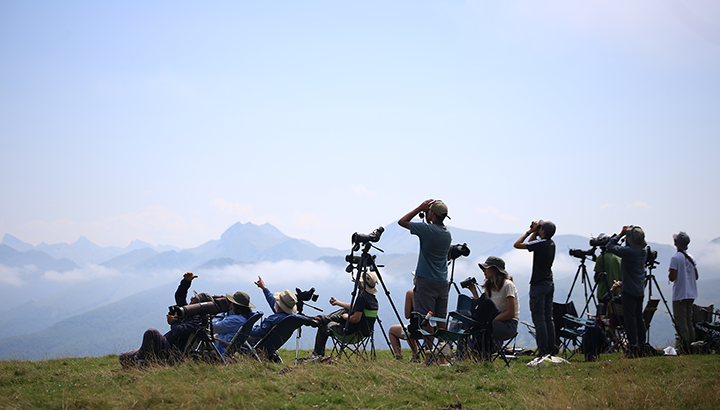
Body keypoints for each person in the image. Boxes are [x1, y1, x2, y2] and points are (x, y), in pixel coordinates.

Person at [119, 271, 211, 368]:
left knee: (151, 332)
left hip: (172, 351)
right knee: (123, 357)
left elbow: (179, 332)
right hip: (168, 345)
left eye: (195, 299)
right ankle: (138, 359)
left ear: (199, 305)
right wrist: (186, 282)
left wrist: (173, 322)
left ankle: (140, 362)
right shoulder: (189, 313)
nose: (192, 298)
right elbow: (179, 297)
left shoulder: (196, 320)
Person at [398, 199, 452, 337]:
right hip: (442, 280)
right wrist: (429, 217)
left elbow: (402, 222)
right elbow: (434, 229)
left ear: (432, 213)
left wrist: (419, 208)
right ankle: (441, 354)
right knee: (440, 318)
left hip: (426, 281)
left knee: (426, 318)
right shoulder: (447, 233)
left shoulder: (427, 230)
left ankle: (429, 356)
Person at [309, 270, 380, 359]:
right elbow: (355, 307)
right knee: (345, 309)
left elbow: (355, 319)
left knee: (324, 326)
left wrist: (347, 317)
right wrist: (337, 302)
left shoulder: (362, 298)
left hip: (350, 333)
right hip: (363, 333)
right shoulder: (372, 299)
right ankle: (321, 318)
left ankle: (317, 354)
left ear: (361, 284)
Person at [514, 220, 557, 356]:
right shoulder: (550, 244)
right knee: (548, 318)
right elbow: (533, 243)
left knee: (539, 319)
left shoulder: (541, 244)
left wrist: (529, 231)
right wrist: (536, 232)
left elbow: (517, 245)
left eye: (541, 228)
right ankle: (551, 349)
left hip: (538, 285)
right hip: (549, 283)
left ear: (543, 231)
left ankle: (543, 350)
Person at [605, 225, 648, 356]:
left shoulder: (630, 252)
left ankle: (632, 347)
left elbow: (609, 247)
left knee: (630, 320)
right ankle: (641, 345)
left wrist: (620, 234)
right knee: (639, 319)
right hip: (639, 289)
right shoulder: (643, 252)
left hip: (629, 290)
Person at [468, 256, 519, 342]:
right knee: (468, 322)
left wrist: (490, 320)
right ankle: (464, 353)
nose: (484, 270)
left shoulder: (508, 285)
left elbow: (511, 314)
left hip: (508, 324)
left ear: (495, 270)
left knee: (483, 327)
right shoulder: (489, 287)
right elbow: (485, 308)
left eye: (487, 268)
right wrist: (475, 293)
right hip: (493, 323)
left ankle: (480, 352)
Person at [668, 231, 699, 353]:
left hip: (680, 294)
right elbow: (696, 276)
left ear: (676, 244)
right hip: (691, 293)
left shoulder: (675, 258)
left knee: (680, 321)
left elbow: (672, 277)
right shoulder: (691, 257)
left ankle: (685, 346)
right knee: (688, 320)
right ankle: (692, 344)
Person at [249, 276, 298, 341]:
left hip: (258, 341)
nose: (275, 301)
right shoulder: (287, 318)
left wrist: (244, 326)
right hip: (273, 343)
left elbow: (258, 333)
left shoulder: (272, 319)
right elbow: (272, 301)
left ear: (279, 305)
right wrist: (263, 287)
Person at [212, 290, 256, 356]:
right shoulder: (242, 317)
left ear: (234, 305)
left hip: (220, 348)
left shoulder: (235, 320)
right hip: (225, 343)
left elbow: (213, 327)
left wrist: (221, 312)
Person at [388, 275, 421, 361]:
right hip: (430, 329)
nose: (413, 278)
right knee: (407, 329)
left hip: (416, 329)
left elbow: (407, 315)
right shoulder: (431, 294)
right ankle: (415, 355)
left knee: (392, 330)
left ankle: (399, 356)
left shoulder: (411, 293)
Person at [593, 234, 622, 302]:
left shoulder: (601, 258)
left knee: (602, 311)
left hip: (603, 293)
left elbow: (597, 278)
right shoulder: (618, 257)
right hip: (616, 292)